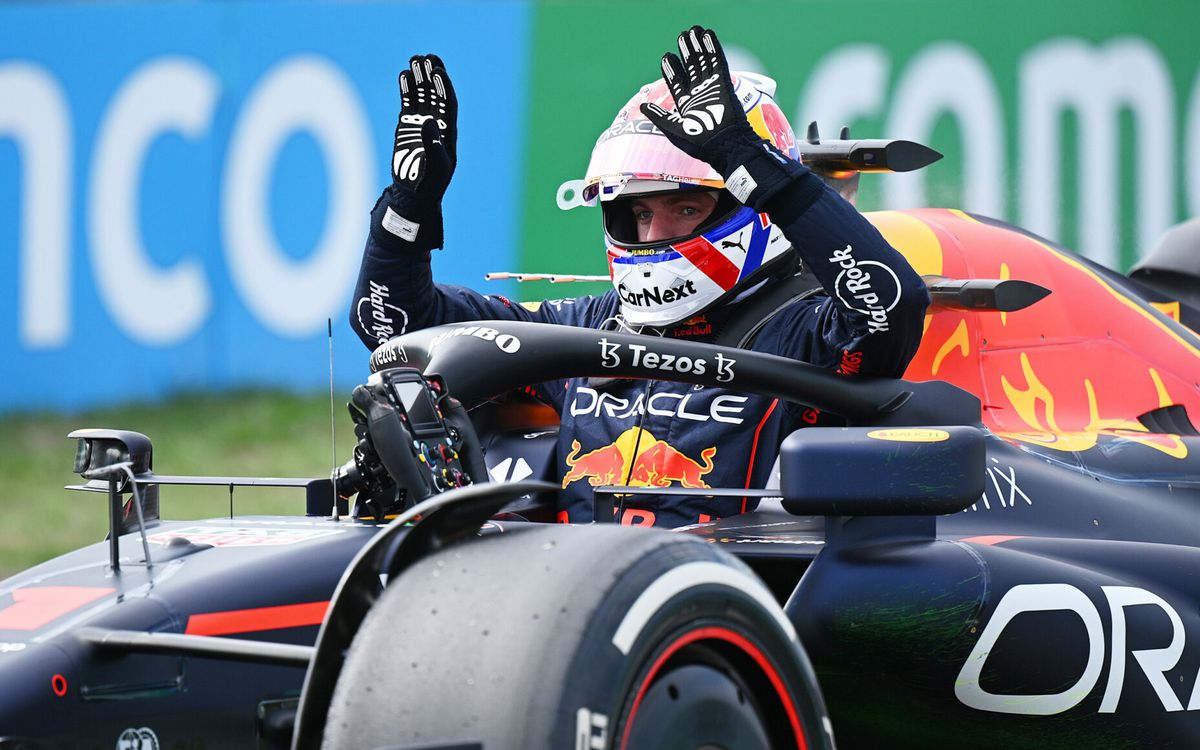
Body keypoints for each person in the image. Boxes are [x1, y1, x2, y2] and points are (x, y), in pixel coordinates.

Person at [350, 26, 930, 528]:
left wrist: (759, 166)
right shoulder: (586, 326)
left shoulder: (804, 334)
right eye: (640, 212)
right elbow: (394, 329)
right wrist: (410, 206)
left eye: (684, 209)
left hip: (729, 615)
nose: (652, 236)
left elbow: (894, 305)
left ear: (747, 206)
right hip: (559, 605)